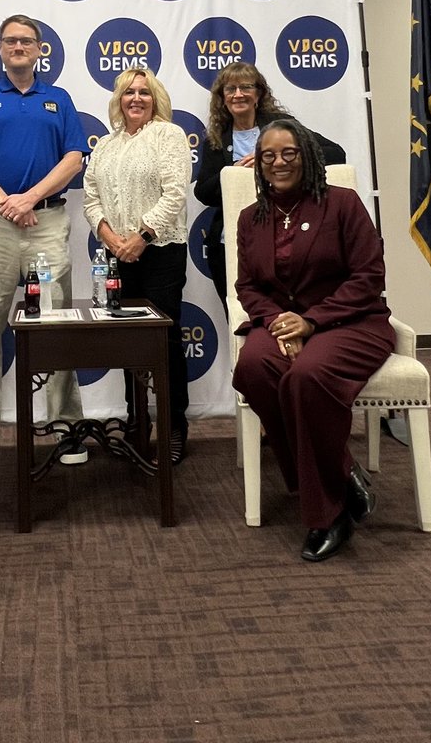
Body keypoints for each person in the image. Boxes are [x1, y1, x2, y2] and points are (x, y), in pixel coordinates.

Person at [231, 118, 395, 563]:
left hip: (351, 321)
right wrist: (281, 321)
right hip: (282, 322)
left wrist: (312, 322)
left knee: (306, 376)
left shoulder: (342, 204)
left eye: (289, 153)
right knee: (252, 368)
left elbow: (368, 277)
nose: (279, 162)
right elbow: (247, 286)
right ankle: (342, 473)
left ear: (307, 155)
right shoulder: (252, 217)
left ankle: (327, 515)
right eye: (268, 156)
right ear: (259, 165)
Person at [0, 14, 87, 468]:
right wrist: (6, 202)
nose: (18, 46)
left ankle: (66, 425)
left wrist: (28, 198)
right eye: (10, 40)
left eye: (26, 40)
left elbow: (73, 159)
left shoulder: (59, 98)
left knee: (57, 322)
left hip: (46, 223)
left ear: (39, 48)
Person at [82, 68, 193, 464]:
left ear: (156, 98)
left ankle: (173, 425)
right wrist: (111, 238)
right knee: (128, 341)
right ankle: (136, 420)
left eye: (145, 92)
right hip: (117, 254)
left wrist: (140, 238)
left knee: (163, 341)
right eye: (129, 92)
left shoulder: (169, 135)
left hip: (160, 253)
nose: (136, 99)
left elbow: (175, 193)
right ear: (118, 99)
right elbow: (90, 198)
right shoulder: (106, 145)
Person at [194, 62, 346, 305]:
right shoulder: (216, 139)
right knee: (239, 315)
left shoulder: (281, 126)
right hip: (232, 242)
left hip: (288, 238)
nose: (238, 94)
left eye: (246, 87)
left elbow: (335, 153)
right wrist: (231, 173)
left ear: (258, 94)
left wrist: (276, 156)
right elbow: (203, 192)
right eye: (230, 89)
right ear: (222, 98)